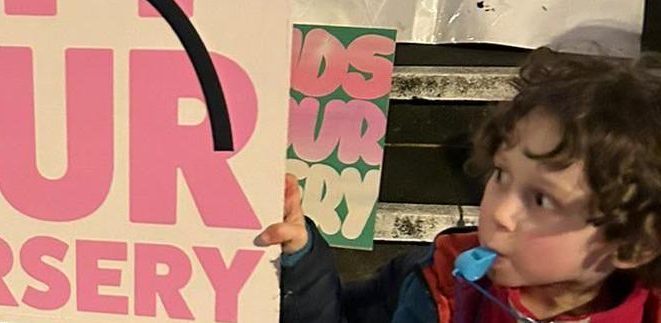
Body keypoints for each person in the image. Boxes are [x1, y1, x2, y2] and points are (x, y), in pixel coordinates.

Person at [259, 47, 661, 322]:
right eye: (502, 175)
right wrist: (301, 260)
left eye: (542, 199)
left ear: (630, 245)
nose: (501, 212)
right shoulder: (436, 281)